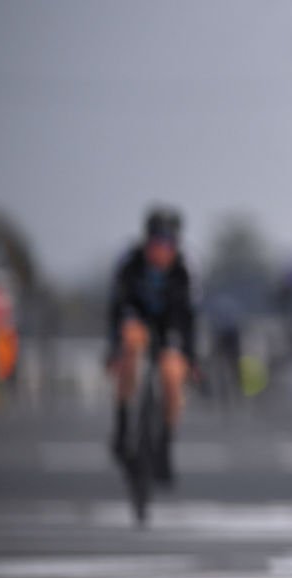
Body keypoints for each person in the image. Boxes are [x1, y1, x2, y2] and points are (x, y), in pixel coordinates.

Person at [106, 206, 196, 486]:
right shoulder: (130, 263)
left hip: (170, 325)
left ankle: (165, 445)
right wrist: (113, 349)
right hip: (137, 320)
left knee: (172, 375)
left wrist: (190, 359)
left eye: (168, 243)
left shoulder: (185, 269)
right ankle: (123, 424)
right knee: (130, 344)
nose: (162, 250)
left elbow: (191, 317)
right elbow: (116, 308)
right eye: (157, 242)